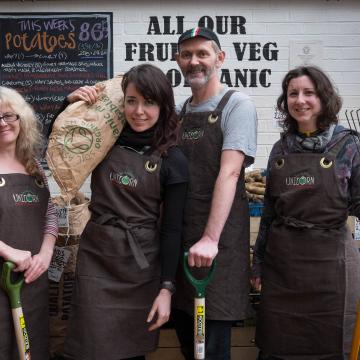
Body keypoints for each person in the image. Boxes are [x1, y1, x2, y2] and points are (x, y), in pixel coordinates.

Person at [61, 64, 189, 360]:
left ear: (164, 106)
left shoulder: (173, 159)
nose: (139, 111)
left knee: (130, 351)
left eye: (149, 102)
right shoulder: (102, 141)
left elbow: (172, 229)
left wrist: (167, 288)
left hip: (140, 265)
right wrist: (68, 105)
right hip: (97, 256)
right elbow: (62, 146)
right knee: (89, 347)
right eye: (132, 101)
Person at [252, 66, 360, 359]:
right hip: (282, 266)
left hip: (331, 268)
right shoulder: (280, 150)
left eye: (309, 92)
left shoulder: (348, 145)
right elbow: (269, 214)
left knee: (331, 346)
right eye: (293, 94)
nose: (300, 100)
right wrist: (258, 262)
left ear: (323, 97)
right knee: (277, 348)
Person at [172, 27, 258, 360]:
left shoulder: (236, 104)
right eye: (186, 54)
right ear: (178, 60)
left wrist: (210, 238)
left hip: (216, 246)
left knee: (209, 348)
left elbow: (231, 172)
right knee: (186, 340)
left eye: (202, 54)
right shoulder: (180, 112)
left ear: (219, 58)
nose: (194, 61)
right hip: (181, 242)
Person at [0, 86, 58, 359]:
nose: (2, 123)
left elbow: (50, 214)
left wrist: (45, 255)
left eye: (9, 116)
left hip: (33, 280)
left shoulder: (34, 166)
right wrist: (9, 251)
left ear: (21, 119)